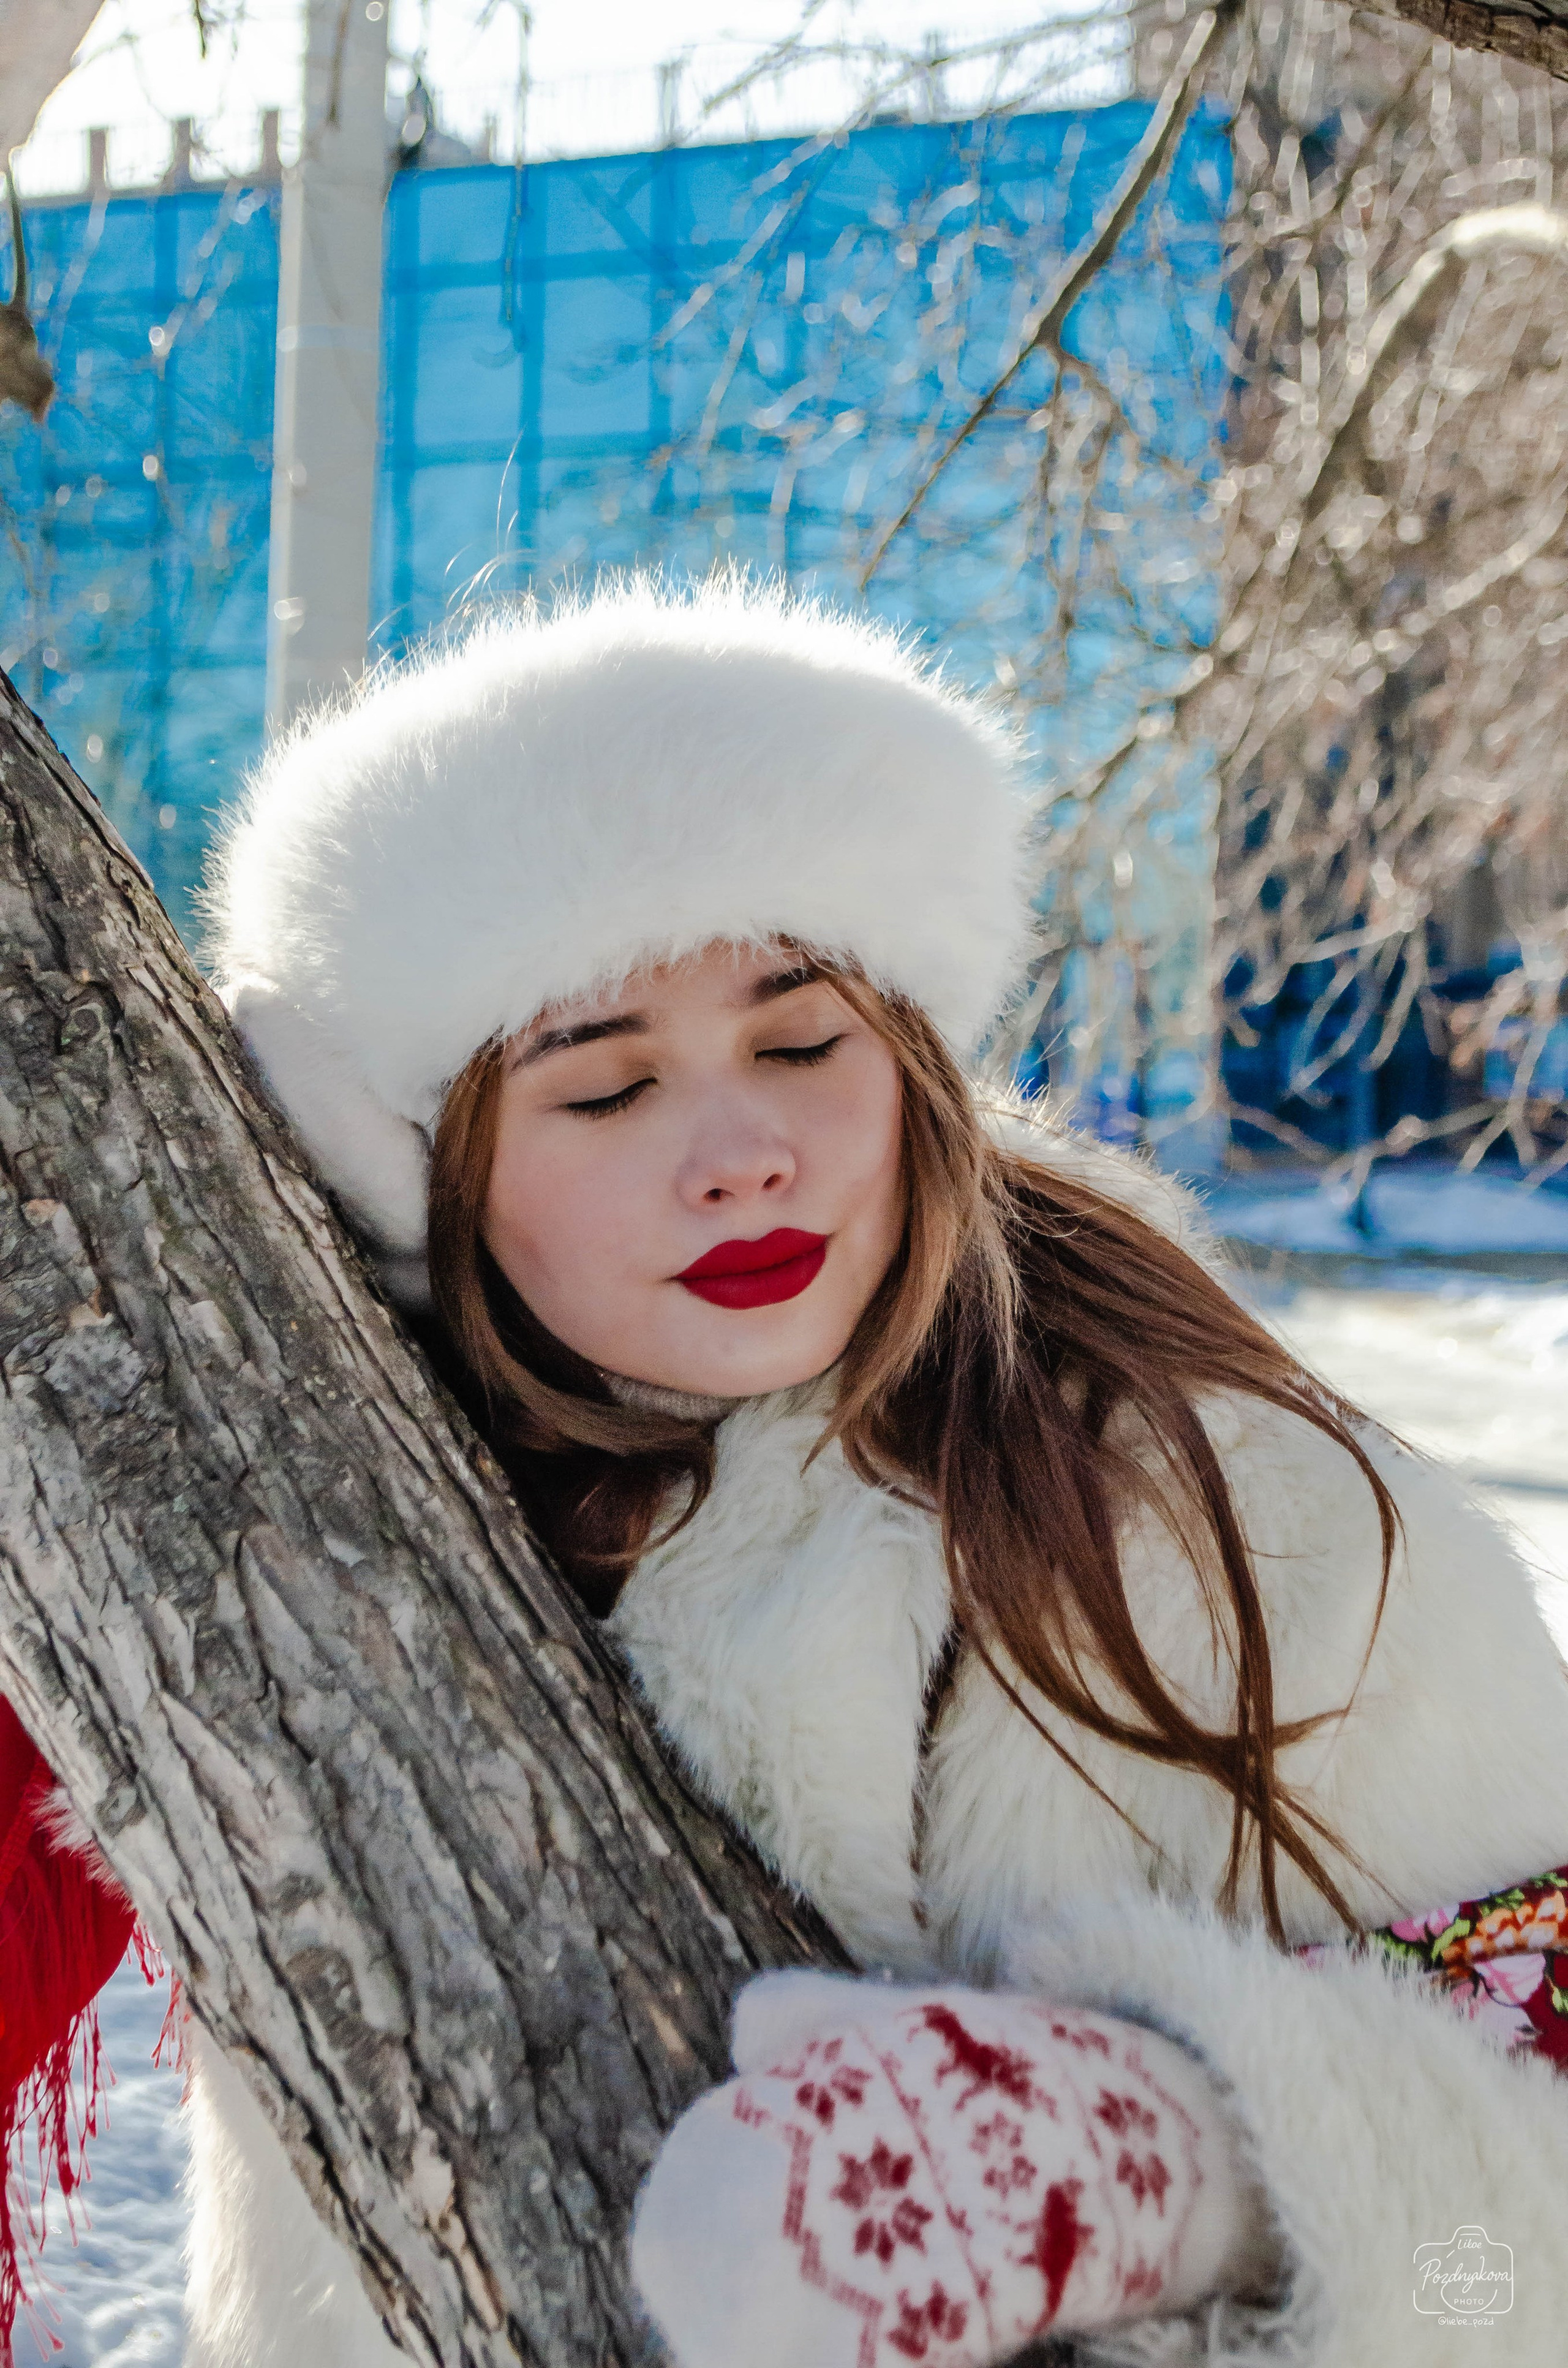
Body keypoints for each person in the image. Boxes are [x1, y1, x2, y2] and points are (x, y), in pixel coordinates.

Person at [17, 577, 1568, 2364]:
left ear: (910, 1053)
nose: (743, 1153)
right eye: (603, 1090)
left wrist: (1177, 2170)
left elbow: (1513, 2249)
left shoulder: (1253, 1517)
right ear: (419, 1172)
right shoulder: (320, 1482)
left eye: (800, 1041)